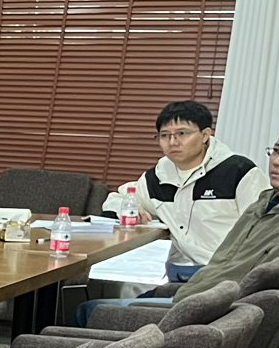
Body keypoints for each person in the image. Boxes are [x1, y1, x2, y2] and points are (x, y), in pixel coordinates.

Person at [76, 118, 279, 323]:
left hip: (211, 313)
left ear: (205, 135)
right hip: (195, 292)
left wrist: (215, 302)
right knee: (97, 304)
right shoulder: (265, 202)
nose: (278, 160)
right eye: (276, 151)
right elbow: (224, 264)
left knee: (88, 311)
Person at [103, 100, 265, 283]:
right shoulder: (156, 178)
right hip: (178, 274)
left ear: (205, 135)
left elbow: (265, 230)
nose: (173, 142)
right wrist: (129, 207)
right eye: (165, 135)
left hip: (227, 276)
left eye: (182, 133)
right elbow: (115, 199)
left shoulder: (239, 172)